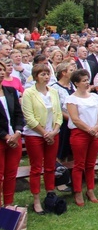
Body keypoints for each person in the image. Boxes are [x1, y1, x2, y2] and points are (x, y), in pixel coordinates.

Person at [22, 64, 62, 214]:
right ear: (35, 76)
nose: (46, 77)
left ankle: (50, 195)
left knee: (51, 166)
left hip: (53, 133)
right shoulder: (29, 93)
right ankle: (36, 200)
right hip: (35, 135)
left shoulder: (53, 92)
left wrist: (54, 131)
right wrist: (44, 133)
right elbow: (29, 117)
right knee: (36, 168)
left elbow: (58, 114)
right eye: (42, 74)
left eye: (48, 74)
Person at [66, 69, 98, 206]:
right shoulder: (72, 99)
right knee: (79, 164)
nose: (87, 82)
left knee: (90, 164)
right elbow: (75, 119)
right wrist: (89, 130)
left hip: (95, 132)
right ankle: (78, 191)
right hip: (80, 134)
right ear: (76, 83)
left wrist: (96, 127)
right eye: (83, 80)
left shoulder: (94, 96)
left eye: (88, 79)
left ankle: (90, 189)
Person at [0, 60, 24, 207]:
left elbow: (18, 114)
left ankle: (9, 204)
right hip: (2, 139)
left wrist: (17, 132)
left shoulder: (10, 91)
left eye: (3, 70)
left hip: (14, 138)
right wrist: (5, 136)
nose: (2, 72)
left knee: (10, 174)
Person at [51, 59, 76, 162]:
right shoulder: (54, 88)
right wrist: (71, 118)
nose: (74, 72)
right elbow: (56, 109)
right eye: (71, 70)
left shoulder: (73, 86)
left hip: (74, 123)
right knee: (62, 151)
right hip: (63, 124)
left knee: (72, 151)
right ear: (64, 73)